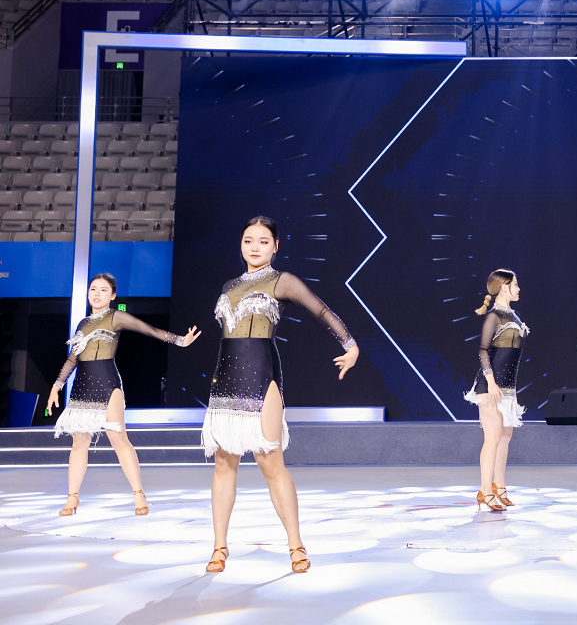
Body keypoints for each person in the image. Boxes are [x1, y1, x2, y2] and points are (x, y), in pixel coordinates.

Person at [201, 216, 359, 574]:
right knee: (224, 464)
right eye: (248, 240)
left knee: (270, 463)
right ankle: (219, 547)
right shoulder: (229, 284)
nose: (254, 247)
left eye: (263, 241)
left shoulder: (281, 281)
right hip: (225, 378)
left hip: (261, 374)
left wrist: (350, 345)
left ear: (275, 246)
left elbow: (321, 309)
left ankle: (296, 544)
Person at [47, 273, 200, 517]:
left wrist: (180, 341)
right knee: (79, 443)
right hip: (83, 387)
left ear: (113, 295)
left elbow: (148, 329)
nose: (97, 294)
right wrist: (57, 386)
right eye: (93, 289)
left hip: (107, 383)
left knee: (119, 439)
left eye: (103, 290)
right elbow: (73, 358)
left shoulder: (115, 317)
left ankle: (139, 494)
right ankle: (72, 498)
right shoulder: (83, 324)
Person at [465, 268, 528, 511]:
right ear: (504, 287)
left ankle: (499, 487)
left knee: (505, 437)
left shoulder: (514, 315)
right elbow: (483, 350)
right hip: (490, 385)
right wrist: (491, 382)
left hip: (508, 387)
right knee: (492, 438)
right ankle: (485, 491)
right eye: (516, 284)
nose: (519, 288)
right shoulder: (494, 316)